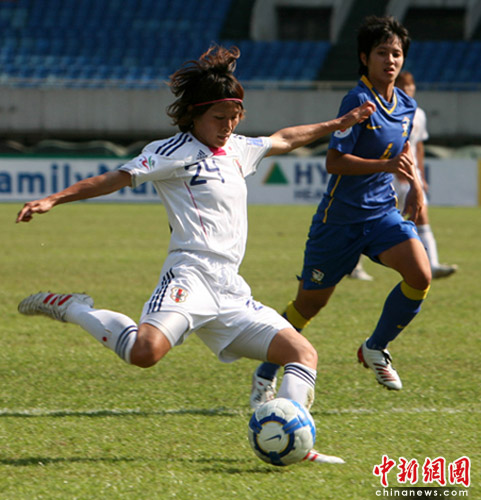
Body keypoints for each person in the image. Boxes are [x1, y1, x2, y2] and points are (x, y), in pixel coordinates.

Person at [16, 45, 374, 465]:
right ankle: (75, 307)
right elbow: (116, 177)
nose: (228, 126)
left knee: (302, 354)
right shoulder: (172, 152)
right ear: (194, 115)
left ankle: (294, 439)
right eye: (219, 118)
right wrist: (54, 199)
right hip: (190, 276)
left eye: (235, 116)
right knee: (144, 354)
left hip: (231, 289)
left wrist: (340, 123)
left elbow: (285, 138)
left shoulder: (238, 149)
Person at [251, 16, 432, 405]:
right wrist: (386, 166)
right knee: (308, 305)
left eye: (396, 53)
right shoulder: (357, 101)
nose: (390, 60)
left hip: (381, 214)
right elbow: (334, 162)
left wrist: (415, 187)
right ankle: (265, 374)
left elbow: (403, 152)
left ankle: (375, 347)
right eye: (382, 52)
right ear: (364, 57)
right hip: (340, 221)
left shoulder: (407, 105)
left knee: (420, 275)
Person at [393, 71, 457, 279]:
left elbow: (418, 146)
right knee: (374, 220)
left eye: (410, 86)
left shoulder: (419, 114)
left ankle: (432, 264)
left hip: (412, 174)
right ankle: (353, 265)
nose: (407, 90)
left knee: (422, 216)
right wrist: (393, 167)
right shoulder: (389, 110)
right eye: (403, 86)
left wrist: (420, 174)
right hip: (389, 174)